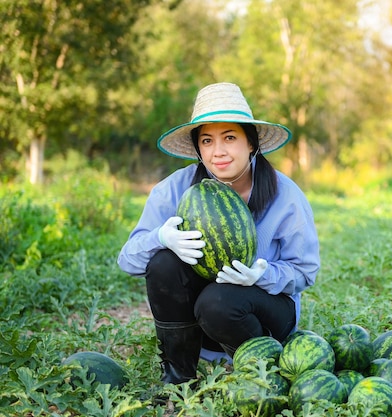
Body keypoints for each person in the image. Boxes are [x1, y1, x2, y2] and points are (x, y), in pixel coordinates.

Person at [117, 82, 320, 385]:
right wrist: (160, 237)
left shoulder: (286, 195)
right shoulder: (175, 188)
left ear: (251, 143)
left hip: (264, 317)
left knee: (217, 301)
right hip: (202, 326)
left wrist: (261, 275)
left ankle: (261, 370)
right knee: (163, 263)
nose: (218, 152)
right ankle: (178, 377)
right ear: (198, 148)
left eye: (229, 137)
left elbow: (305, 272)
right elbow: (127, 260)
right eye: (207, 141)